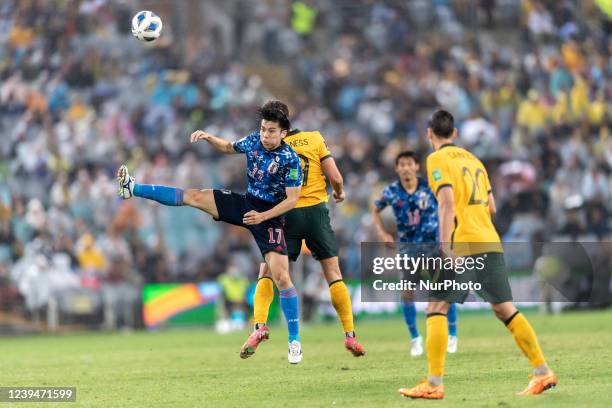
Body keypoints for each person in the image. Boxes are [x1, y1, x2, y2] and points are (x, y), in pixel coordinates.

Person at [116, 104, 305, 364]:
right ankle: (133, 187)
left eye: (271, 131)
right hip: (246, 204)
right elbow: (228, 147)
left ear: (284, 133)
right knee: (194, 196)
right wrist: (208, 137)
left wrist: (263, 216)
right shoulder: (253, 141)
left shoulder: (291, 160)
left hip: (270, 216)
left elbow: (293, 200)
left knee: (281, 277)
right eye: (263, 130)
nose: (265, 135)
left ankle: (294, 341)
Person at [399, 110, 557, 399]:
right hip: (488, 239)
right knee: (505, 309)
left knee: (436, 308)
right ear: (455, 133)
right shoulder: (475, 161)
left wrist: (445, 246)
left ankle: (433, 384)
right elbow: (492, 207)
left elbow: (446, 202)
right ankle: (542, 371)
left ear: (429, 134)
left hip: (462, 243)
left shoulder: (436, 159)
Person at [248, 101, 365, 358]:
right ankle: (350, 335)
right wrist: (339, 193)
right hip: (315, 212)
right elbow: (336, 177)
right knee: (333, 273)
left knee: (268, 271)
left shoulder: (275, 145)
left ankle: (259, 325)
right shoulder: (314, 139)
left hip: (285, 214)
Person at [372, 150, 458, 357]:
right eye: (401, 164)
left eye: (409, 163)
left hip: (434, 247)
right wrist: (383, 233)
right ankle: (415, 338)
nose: (405, 168)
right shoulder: (391, 191)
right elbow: (375, 210)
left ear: (417, 166)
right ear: (396, 168)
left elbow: (449, 205)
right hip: (408, 250)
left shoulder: (430, 186)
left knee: (443, 291)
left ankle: (452, 334)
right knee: (407, 293)